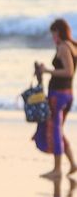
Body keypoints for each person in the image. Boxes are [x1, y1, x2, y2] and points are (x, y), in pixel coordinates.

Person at [33, 18, 77, 178]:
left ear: (59, 32)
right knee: (57, 129)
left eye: (54, 33)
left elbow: (69, 71)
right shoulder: (72, 46)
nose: (53, 37)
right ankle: (72, 164)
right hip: (66, 94)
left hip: (59, 94)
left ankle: (57, 169)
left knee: (55, 130)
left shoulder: (64, 47)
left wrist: (47, 71)